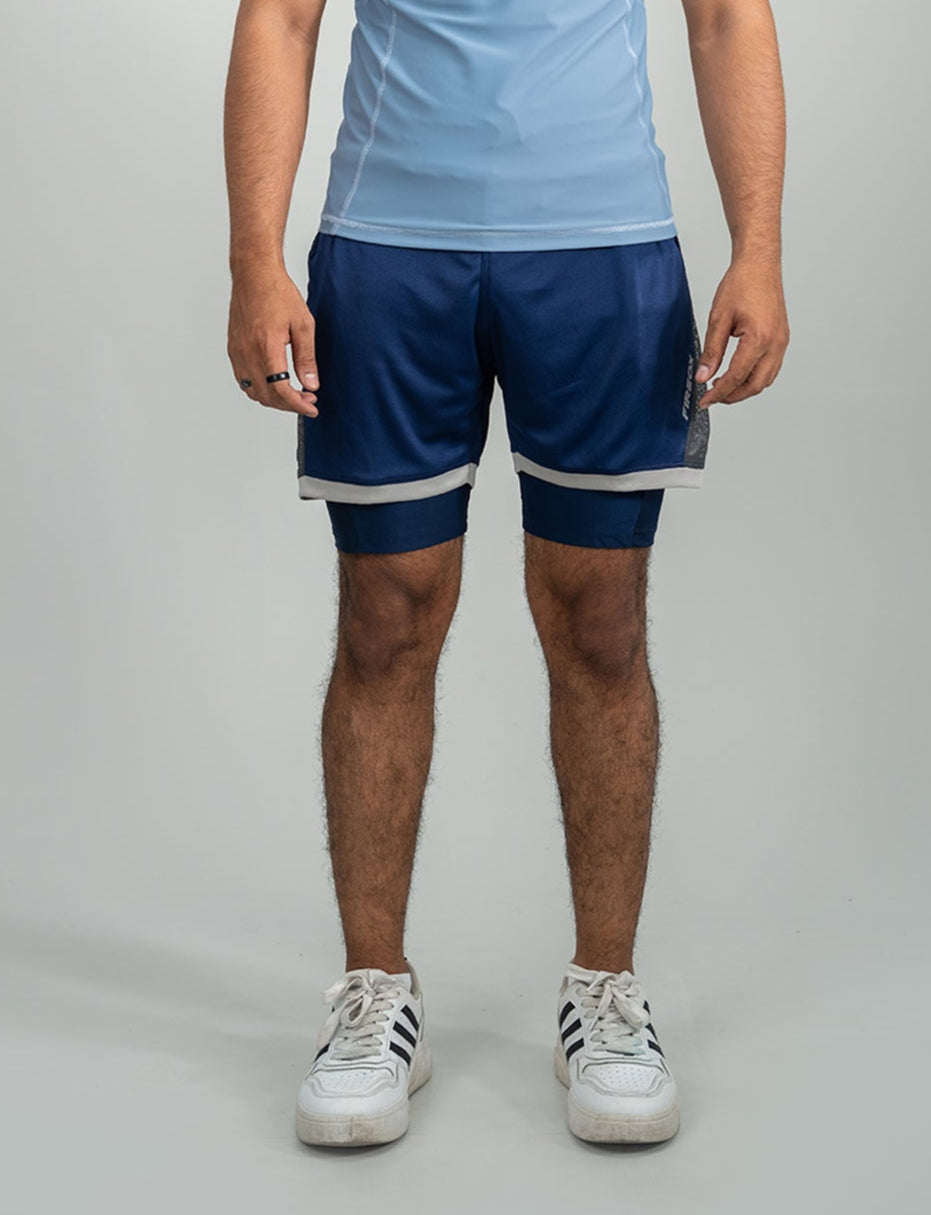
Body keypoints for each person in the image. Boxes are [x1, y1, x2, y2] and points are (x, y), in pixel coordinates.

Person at [224, 0, 788, 1147]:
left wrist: (760, 251)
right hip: (386, 252)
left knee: (600, 623)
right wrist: (253, 261)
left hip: (604, 253)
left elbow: (728, 18)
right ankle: (374, 993)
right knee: (386, 620)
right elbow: (279, 18)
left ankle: (606, 996)